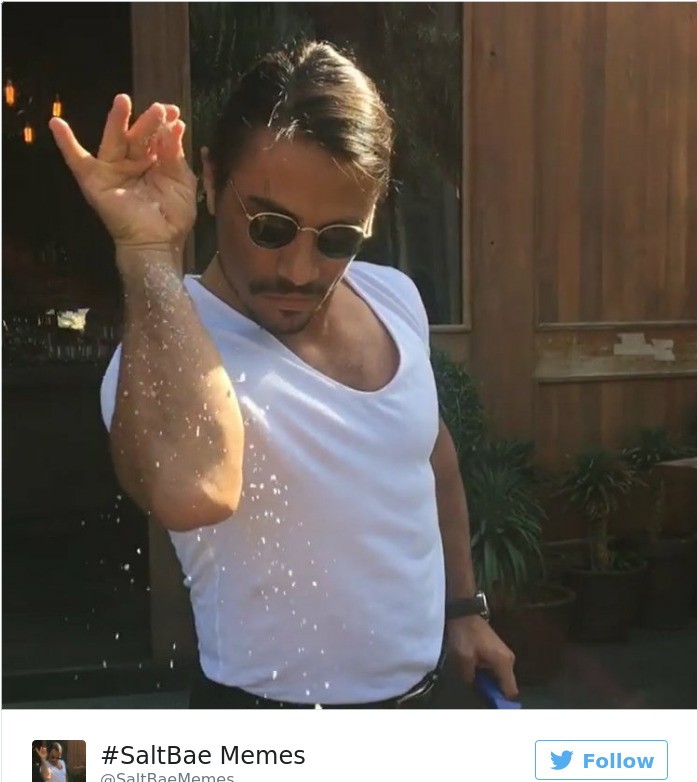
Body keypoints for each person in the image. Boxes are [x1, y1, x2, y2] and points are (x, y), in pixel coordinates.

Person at [49, 41, 517, 709]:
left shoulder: (392, 297)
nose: (300, 271)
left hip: (425, 700)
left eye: (338, 237)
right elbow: (188, 494)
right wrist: (148, 251)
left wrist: (464, 608)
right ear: (210, 180)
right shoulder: (166, 346)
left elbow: (430, 456)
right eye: (270, 226)